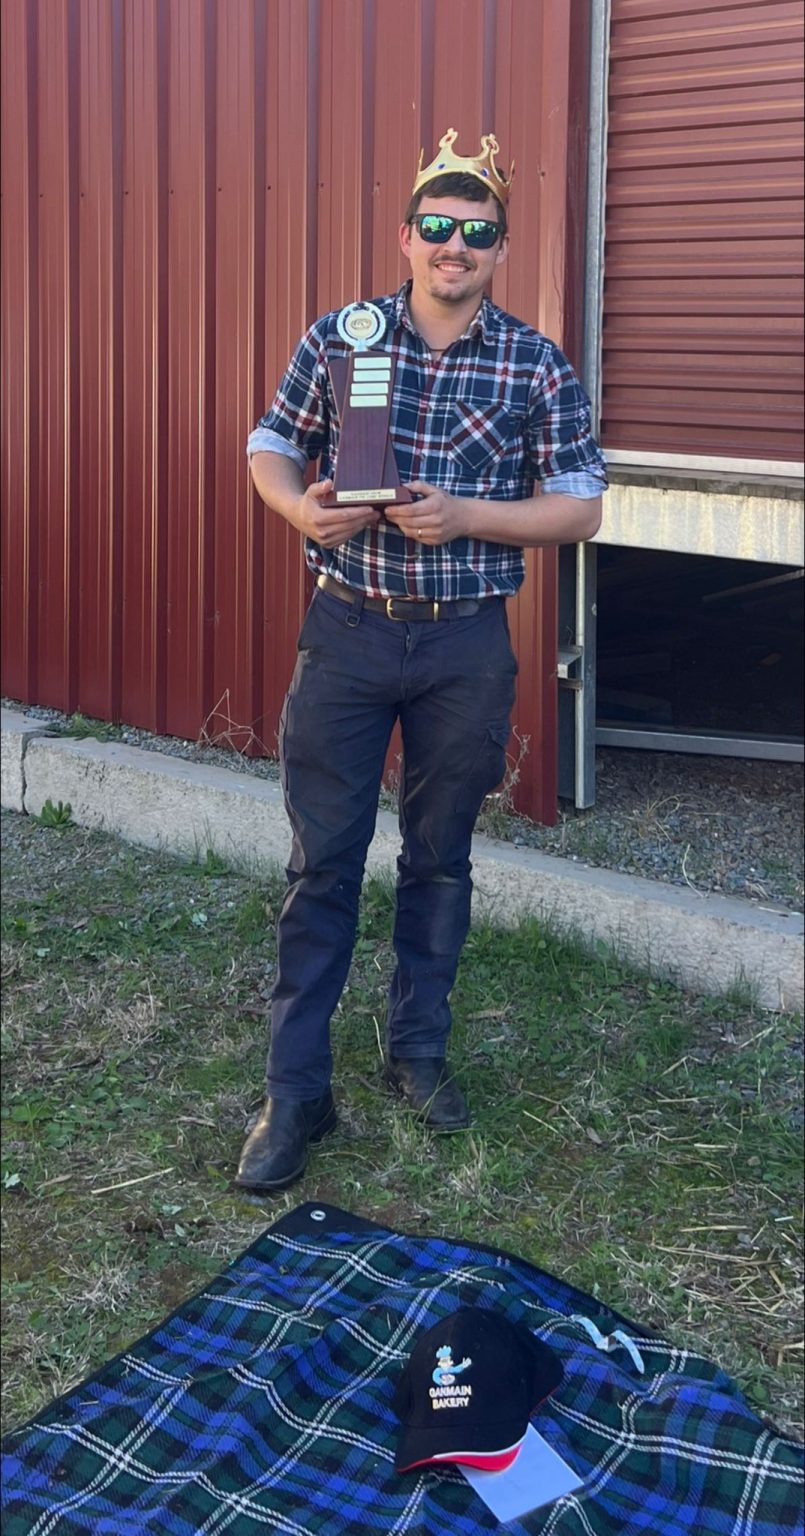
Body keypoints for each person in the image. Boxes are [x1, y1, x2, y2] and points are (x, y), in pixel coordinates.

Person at [237, 129, 606, 1191]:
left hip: (464, 645)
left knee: (440, 856)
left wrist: (469, 517)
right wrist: (298, 509)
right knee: (322, 864)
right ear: (405, 237)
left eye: (476, 232)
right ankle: (296, 1093)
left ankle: (417, 1053)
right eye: (437, 226)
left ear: (500, 250)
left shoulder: (533, 362)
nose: (455, 246)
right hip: (348, 632)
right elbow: (270, 443)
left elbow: (579, 506)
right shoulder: (342, 337)